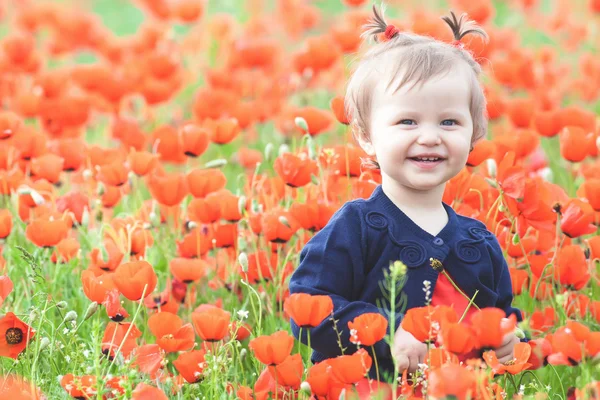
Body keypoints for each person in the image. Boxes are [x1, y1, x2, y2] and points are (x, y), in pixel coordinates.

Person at [288, 2, 525, 394]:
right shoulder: (355, 227)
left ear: (473, 135)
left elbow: (502, 318)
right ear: (366, 136)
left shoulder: (480, 243)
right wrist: (386, 331)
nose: (430, 136)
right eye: (407, 121)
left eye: (449, 121)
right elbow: (308, 308)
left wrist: (511, 345)